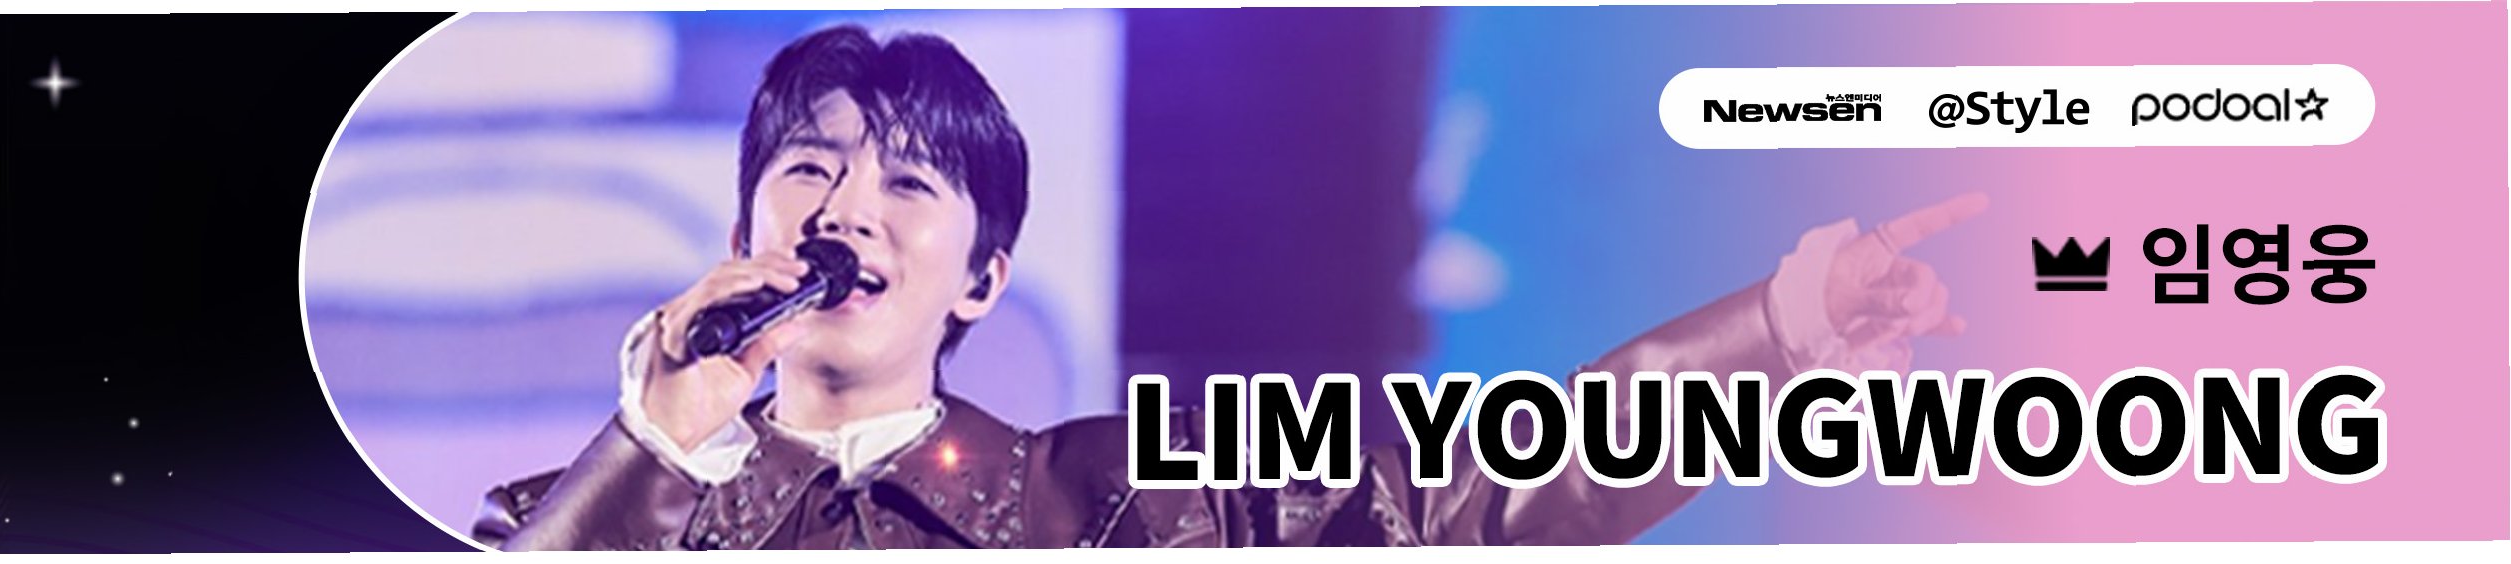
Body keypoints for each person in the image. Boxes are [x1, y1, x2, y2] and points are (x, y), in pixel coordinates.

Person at [467, 25, 1983, 550]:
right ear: (744, 221)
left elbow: (1489, 494)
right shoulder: (570, 513)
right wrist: (656, 452)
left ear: (984, 278)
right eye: (810, 169)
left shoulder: (1129, 500)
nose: (847, 209)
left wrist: (1777, 329)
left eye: (909, 186)